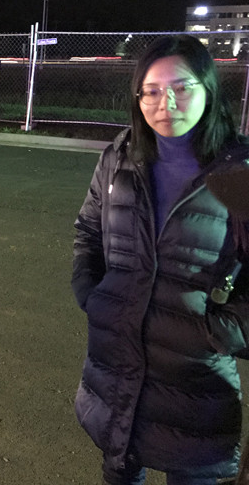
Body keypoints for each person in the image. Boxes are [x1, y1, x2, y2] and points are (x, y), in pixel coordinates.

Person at [72, 34, 249, 485]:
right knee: (120, 467)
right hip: (117, 367)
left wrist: (222, 331)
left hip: (195, 382)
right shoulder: (120, 158)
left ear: (209, 88)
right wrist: (93, 294)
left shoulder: (239, 170)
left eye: (181, 87)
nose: (165, 103)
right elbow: (88, 230)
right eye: (150, 91)